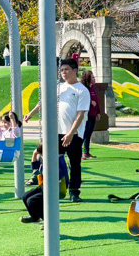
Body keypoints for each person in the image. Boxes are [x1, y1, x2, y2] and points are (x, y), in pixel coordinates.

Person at [24, 58, 90, 202]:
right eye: (61, 70)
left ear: (75, 71)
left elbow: (80, 115)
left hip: (74, 134)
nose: (63, 73)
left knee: (74, 164)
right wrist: (31, 114)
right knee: (49, 159)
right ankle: (49, 186)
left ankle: (74, 192)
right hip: (56, 132)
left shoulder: (82, 90)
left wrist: (71, 133)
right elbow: (43, 103)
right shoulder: (59, 87)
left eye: (66, 70)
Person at [20, 143, 69, 223]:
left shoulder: (58, 159)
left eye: (42, 154)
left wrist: (48, 165)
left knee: (32, 201)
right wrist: (34, 154)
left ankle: (48, 222)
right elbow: (35, 168)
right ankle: (35, 217)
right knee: (25, 197)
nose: (41, 157)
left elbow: (60, 175)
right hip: (45, 185)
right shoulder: (45, 158)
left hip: (55, 187)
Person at [80, 70, 100, 160]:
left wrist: (98, 112)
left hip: (93, 114)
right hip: (86, 114)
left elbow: (97, 101)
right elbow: (82, 100)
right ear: (88, 78)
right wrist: (90, 102)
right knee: (85, 133)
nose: (94, 79)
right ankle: (78, 152)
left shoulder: (93, 88)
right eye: (92, 77)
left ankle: (86, 153)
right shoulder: (84, 88)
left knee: (89, 134)